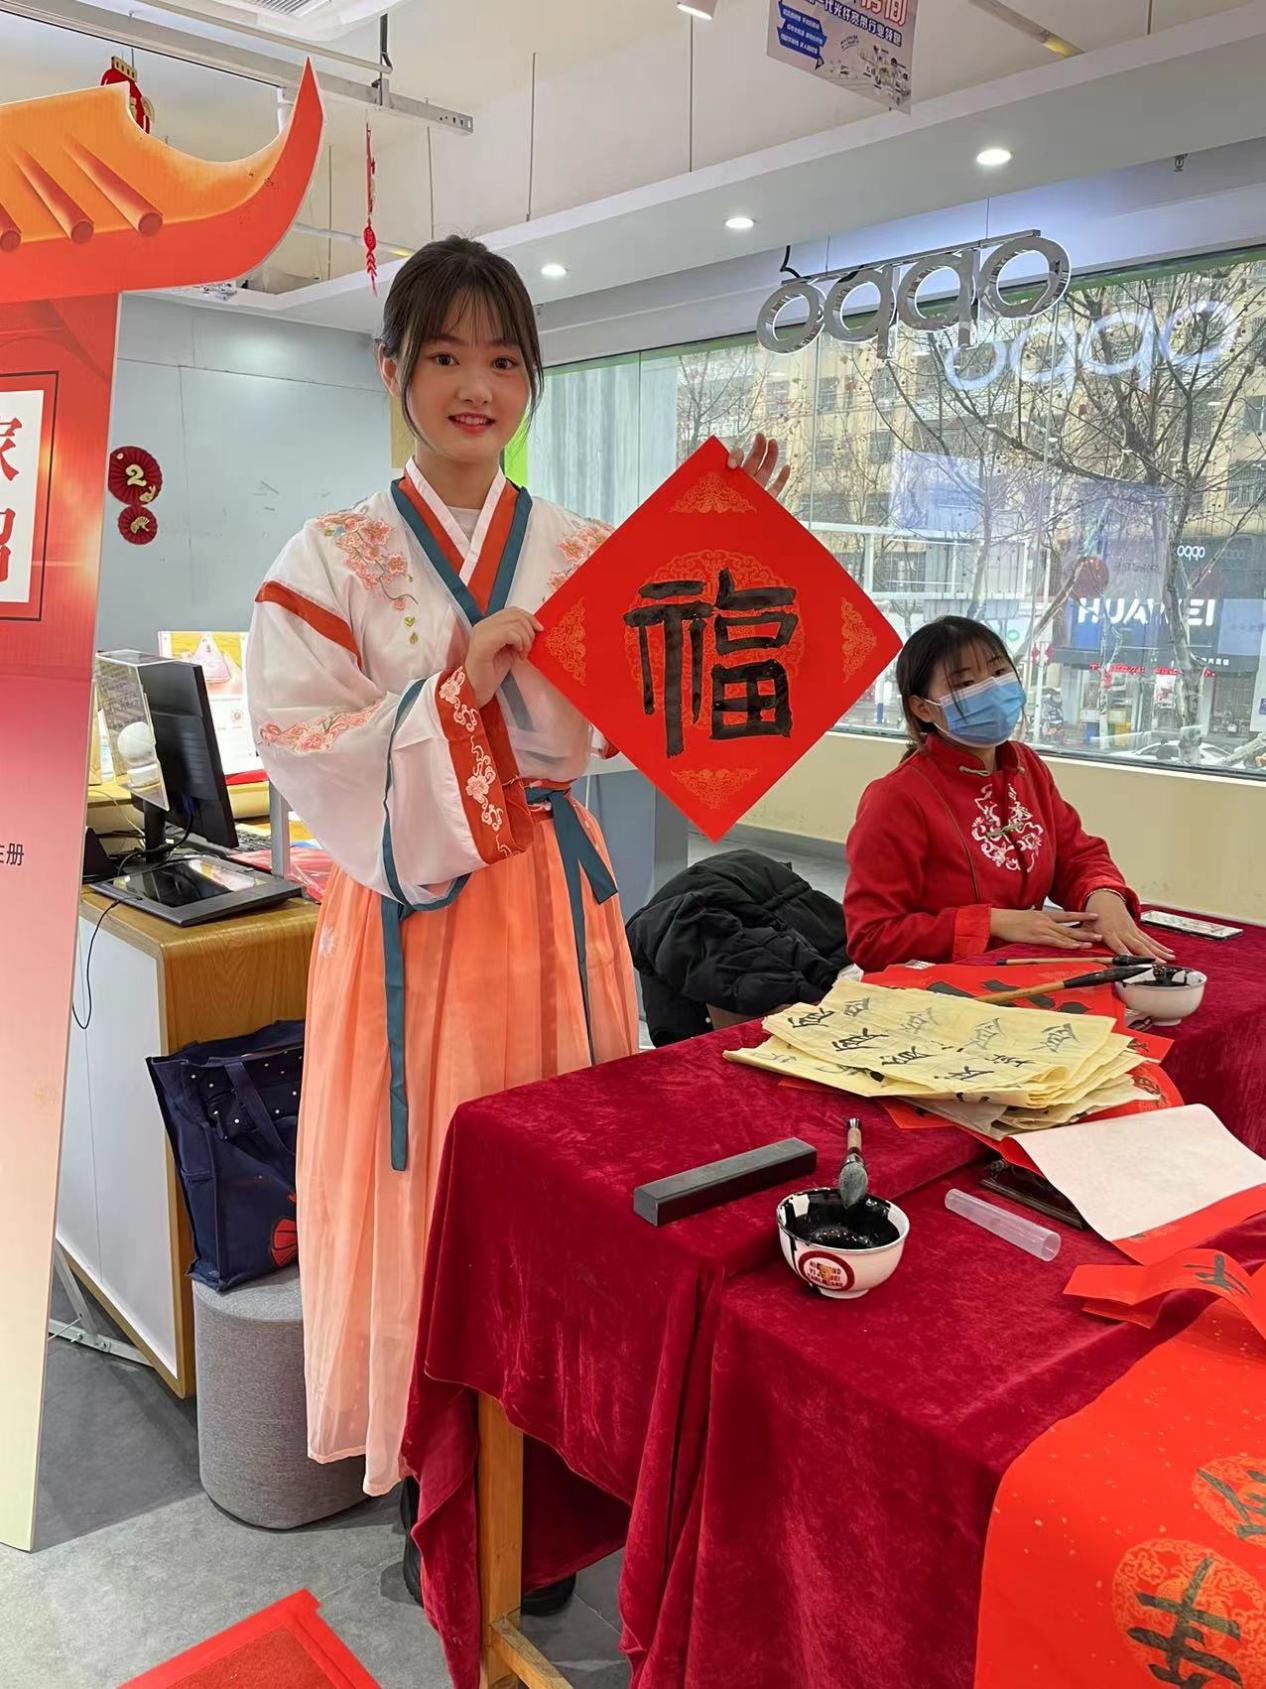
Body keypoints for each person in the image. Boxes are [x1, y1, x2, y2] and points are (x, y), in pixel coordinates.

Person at [246, 236, 788, 1601]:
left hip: (550, 899)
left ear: (531, 381)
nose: (474, 385)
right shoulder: (332, 556)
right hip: (411, 919)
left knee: (559, 1184)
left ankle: (548, 1480)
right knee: (421, 1184)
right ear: (392, 371)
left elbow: (654, 711)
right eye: (443, 356)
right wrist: (453, 698)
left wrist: (719, 558)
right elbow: (298, 740)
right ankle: (434, 1478)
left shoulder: (579, 549)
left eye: (503, 359)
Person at [843, 616, 1176, 973]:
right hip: (941, 988)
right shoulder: (896, 798)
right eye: (965, 683)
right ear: (922, 708)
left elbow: (1075, 855)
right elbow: (871, 938)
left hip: (1024, 967)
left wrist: (1103, 896)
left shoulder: (1024, 765)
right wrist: (991, 923)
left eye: (999, 671)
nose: (990, 689)